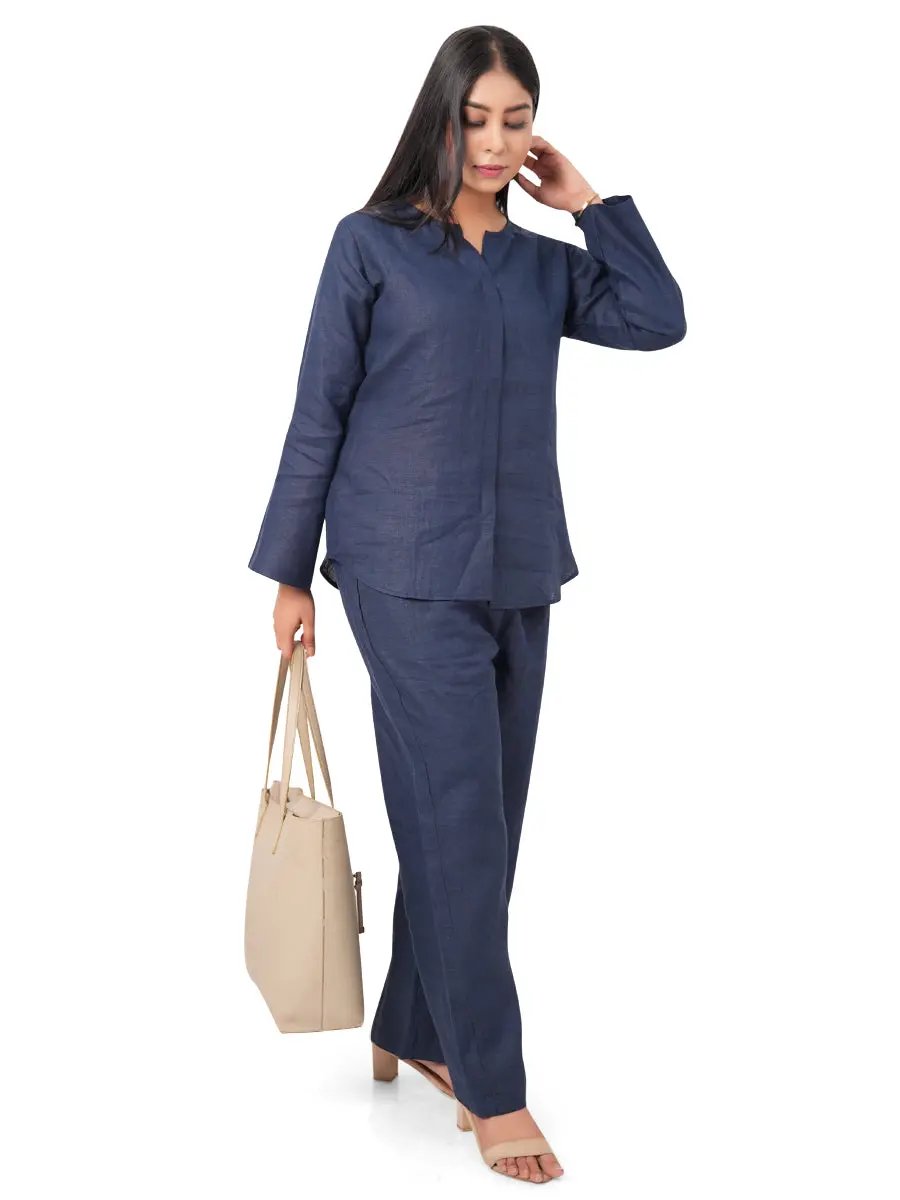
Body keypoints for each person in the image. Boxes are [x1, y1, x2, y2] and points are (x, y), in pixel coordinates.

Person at [247, 24, 686, 1184]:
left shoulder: (545, 266)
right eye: (476, 116)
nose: (496, 140)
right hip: (400, 571)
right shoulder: (372, 247)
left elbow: (659, 315)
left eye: (517, 118)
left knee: (480, 828)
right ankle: (494, 1089)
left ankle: (413, 1025)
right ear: (438, 117)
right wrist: (292, 571)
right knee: (461, 826)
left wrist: (588, 200)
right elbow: (318, 410)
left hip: (520, 570)